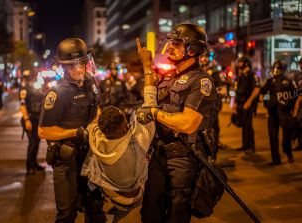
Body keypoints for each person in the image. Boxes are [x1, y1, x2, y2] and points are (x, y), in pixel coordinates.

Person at [137, 23, 217, 223]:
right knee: (149, 215)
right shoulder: (168, 76)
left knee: (176, 215)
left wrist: (154, 113)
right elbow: (149, 101)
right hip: (158, 155)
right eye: (171, 42)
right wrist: (147, 67)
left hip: (183, 158)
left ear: (193, 49)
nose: (171, 46)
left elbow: (188, 123)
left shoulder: (201, 82)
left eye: (178, 43)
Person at [81, 38, 156, 220]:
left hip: (109, 191)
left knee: (87, 170)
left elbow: (91, 123)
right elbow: (150, 103)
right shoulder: (139, 141)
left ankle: (92, 207)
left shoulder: (95, 139)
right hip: (134, 192)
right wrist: (147, 65)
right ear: (125, 125)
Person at [38, 38, 104, 223]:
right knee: (67, 214)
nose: (78, 69)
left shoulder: (91, 83)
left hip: (91, 157)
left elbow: (96, 109)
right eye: (72, 66)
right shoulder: (57, 92)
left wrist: (96, 126)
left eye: (81, 63)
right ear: (64, 67)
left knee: (96, 210)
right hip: (66, 161)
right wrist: (76, 132)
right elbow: (43, 131)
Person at [260, 60, 296, 165]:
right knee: (273, 136)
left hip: (285, 112)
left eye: (278, 69)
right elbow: (262, 93)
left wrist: (294, 110)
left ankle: (288, 153)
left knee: (287, 135)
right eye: (275, 68)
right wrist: (266, 101)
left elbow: (294, 96)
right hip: (272, 113)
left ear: (283, 70)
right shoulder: (270, 81)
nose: (276, 71)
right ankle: (275, 159)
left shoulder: (288, 82)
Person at [200, 52, 227, 158]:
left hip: (213, 106)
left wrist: (210, 91)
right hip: (201, 107)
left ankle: (213, 155)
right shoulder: (199, 71)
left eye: (206, 57)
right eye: (202, 56)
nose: (203, 59)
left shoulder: (216, 72)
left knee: (212, 130)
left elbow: (223, 90)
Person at [19, 74, 46, 175]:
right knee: (32, 143)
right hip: (29, 119)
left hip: (36, 119)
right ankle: (29, 167)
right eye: (30, 79)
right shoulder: (24, 90)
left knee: (36, 142)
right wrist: (26, 120)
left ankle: (34, 163)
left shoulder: (35, 88)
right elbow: (22, 106)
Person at [233, 56, 260, 154]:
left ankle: (250, 147)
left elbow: (256, 89)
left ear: (246, 63)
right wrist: (235, 104)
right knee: (244, 125)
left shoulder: (252, 75)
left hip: (247, 104)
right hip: (240, 103)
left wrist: (248, 102)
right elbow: (238, 91)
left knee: (248, 125)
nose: (238, 64)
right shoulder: (241, 75)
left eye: (240, 62)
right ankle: (244, 145)